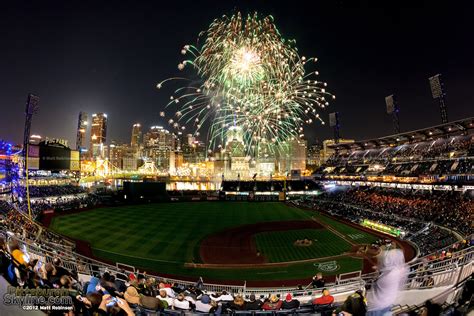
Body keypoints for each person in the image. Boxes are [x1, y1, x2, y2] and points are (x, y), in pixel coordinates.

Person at [367, 249, 408, 316]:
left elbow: (377, 277)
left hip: (377, 306)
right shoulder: (400, 270)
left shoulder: (389, 276)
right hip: (388, 302)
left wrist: (377, 269)